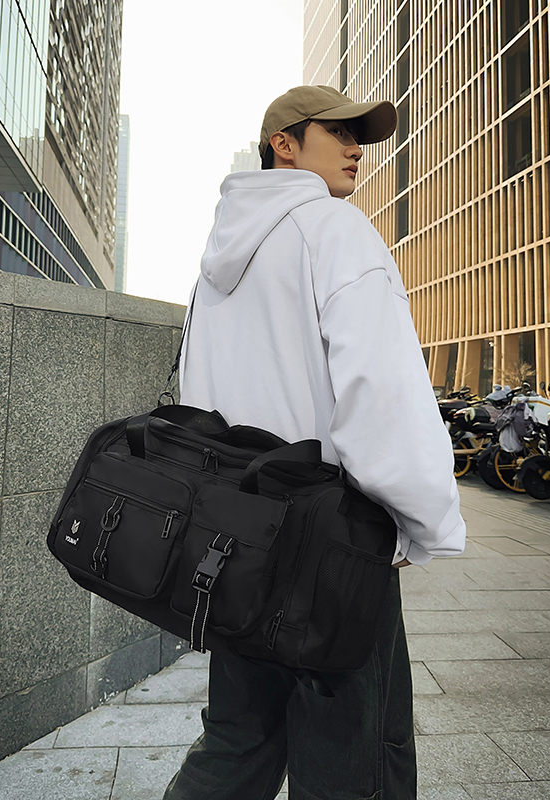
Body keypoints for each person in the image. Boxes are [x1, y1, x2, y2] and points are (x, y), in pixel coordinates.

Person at [164, 85, 466, 800]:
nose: (358, 149)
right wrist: (419, 522)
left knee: (237, 742)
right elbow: (381, 391)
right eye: (340, 132)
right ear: (285, 144)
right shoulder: (335, 231)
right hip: (333, 545)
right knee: (355, 758)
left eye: (360, 136)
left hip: (238, 539)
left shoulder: (215, 264)